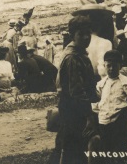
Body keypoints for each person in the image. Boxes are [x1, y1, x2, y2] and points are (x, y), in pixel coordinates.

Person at [49, 16, 99, 164]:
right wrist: (89, 116)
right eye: (81, 34)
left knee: (68, 146)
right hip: (74, 110)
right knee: (72, 149)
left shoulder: (78, 52)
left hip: (73, 108)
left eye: (88, 33)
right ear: (73, 35)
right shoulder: (73, 57)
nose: (86, 37)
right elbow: (77, 92)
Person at [92, 50, 127, 157]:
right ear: (104, 66)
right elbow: (97, 101)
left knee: (119, 151)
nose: (111, 69)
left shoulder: (126, 83)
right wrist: (99, 112)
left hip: (119, 124)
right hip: (103, 122)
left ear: (120, 66)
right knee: (106, 151)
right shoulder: (101, 84)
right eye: (109, 66)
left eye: (115, 66)